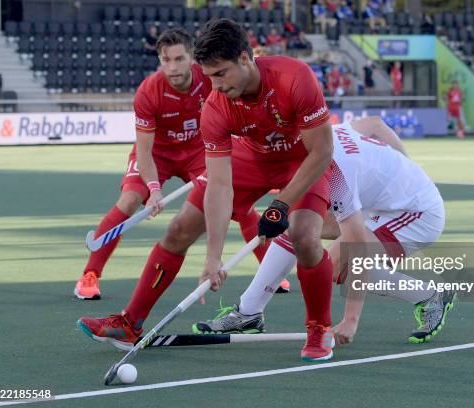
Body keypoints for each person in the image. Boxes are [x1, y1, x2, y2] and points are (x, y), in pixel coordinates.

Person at [79, 19, 335, 362]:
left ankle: (319, 327)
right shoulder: (216, 106)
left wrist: (281, 204)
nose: (214, 84)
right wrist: (213, 257)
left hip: (302, 160)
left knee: (304, 235)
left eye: (221, 73)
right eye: (210, 75)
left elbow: (322, 152)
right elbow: (219, 184)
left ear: (245, 58)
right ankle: (130, 323)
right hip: (252, 157)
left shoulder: (294, 78)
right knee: (179, 228)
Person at [193, 117, 455, 346]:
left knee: (340, 264)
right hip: (381, 202)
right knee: (295, 229)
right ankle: (248, 312)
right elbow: (375, 123)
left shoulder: (339, 170)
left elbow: (358, 247)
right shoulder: (328, 132)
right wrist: (406, 166)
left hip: (416, 213)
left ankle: (429, 295)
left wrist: (350, 321)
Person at [74, 28, 280, 300]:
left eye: (179, 59)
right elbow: (144, 151)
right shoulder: (148, 92)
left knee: (239, 205)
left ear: (192, 57)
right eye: (165, 60)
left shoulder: (209, 80)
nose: (172, 67)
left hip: (198, 150)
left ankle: (270, 275)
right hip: (158, 153)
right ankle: (90, 275)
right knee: (128, 201)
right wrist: (153, 188)